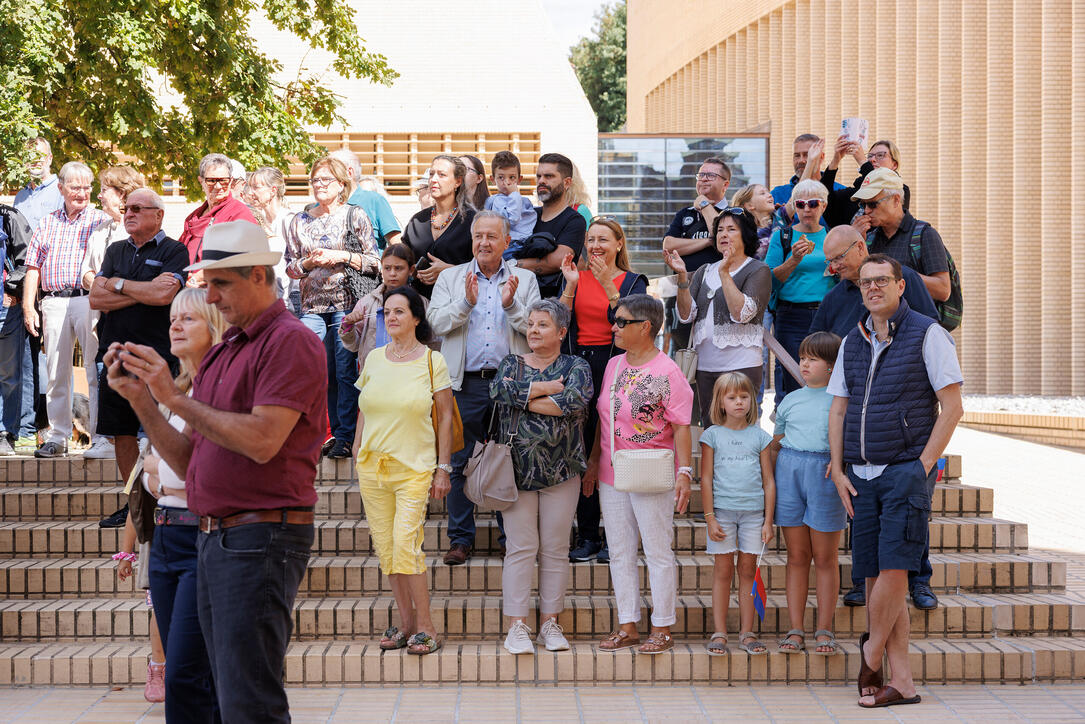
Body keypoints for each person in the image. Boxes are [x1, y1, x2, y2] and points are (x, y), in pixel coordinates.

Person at [105, 219, 328, 724]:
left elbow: (263, 440)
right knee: (209, 689)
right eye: (207, 283)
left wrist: (171, 396)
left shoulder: (289, 341)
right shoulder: (229, 351)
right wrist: (142, 399)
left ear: (259, 276)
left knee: (247, 699)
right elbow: (191, 464)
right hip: (218, 536)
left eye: (221, 283)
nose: (211, 295)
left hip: (259, 535)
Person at [828, 253, 963, 709]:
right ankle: (902, 681)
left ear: (901, 285)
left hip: (904, 470)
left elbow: (953, 407)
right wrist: (838, 469)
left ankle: (871, 653)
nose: (872, 288)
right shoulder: (853, 340)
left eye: (882, 280)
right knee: (874, 576)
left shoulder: (928, 334)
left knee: (894, 570)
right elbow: (839, 409)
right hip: (860, 475)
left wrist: (921, 466)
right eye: (866, 281)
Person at [811, 226, 939, 608]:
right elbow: (816, 345)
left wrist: (924, 462)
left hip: (908, 436)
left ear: (860, 247)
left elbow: (928, 330)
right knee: (865, 521)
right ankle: (862, 581)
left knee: (912, 517)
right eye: (829, 262)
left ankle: (920, 581)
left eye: (838, 258)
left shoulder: (902, 278)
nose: (834, 267)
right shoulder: (834, 298)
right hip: (861, 428)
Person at [132, 287, 226, 720]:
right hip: (166, 535)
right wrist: (160, 471)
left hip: (201, 536)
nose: (175, 326)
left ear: (214, 324)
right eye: (172, 318)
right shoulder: (180, 389)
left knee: (188, 672)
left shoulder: (218, 387)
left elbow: (185, 474)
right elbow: (151, 475)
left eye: (187, 318)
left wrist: (159, 469)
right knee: (183, 670)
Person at [427, 211, 540, 565]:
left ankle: (511, 538)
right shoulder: (451, 278)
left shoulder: (525, 279)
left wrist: (511, 305)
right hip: (464, 384)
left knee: (511, 459)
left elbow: (536, 330)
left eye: (492, 236)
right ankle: (461, 539)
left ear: (507, 241)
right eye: (478, 236)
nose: (484, 243)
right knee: (459, 461)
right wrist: (465, 303)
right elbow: (436, 323)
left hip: (510, 384)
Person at [584, 294, 693, 655]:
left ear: (645, 327)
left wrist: (684, 472)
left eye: (621, 322)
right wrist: (593, 462)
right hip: (611, 472)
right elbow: (605, 419)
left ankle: (662, 626)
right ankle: (627, 625)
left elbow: (682, 426)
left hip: (650, 471)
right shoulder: (614, 365)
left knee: (657, 551)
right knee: (619, 551)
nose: (613, 328)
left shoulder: (668, 371)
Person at [352, 285, 454, 655]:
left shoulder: (432, 361)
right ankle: (406, 623)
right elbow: (364, 407)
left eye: (399, 311)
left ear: (416, 318)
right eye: (387, 312)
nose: (391, 317)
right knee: (386, 549)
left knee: (406, 545)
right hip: (373, 468)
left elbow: (445, 418)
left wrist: (443, 468)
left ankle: (427, 627)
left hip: (414, 468)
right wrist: (356, 448)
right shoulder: (374, 359)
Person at [489, 299, 593, 655]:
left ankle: (550, 623)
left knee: (555, 548)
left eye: (542, 324)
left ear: (561, 332)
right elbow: (498, 391)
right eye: (531, 324)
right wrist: (548, 388)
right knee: (520, 547)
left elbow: (574, 401)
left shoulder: (576, 365)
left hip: (563, 469)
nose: (533, 330)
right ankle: (517, 626)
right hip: (515, 471)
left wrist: (524, 397)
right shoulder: (511, 363)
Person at [557, 217, 648, 563]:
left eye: (603, 239)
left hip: (619, 367)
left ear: (618, 244)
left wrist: (609, 283)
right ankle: (587, 535)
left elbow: (632, 324)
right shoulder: (576, 278)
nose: (596, 245)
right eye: (591, 239)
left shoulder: (634, 281)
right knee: (583, 452)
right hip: (580, 368)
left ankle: (617, 536)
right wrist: (570, 285)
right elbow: (558, 323)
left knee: (613, 450)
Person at [89, 187, 188, 506]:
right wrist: (143, 291)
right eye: (126, 208)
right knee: (122, 432)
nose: (128, 213)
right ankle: (134, 504)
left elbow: (164, 295)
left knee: (159, 428)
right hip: (116, 355)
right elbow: (95, 298)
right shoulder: (115, 250)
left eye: (136, 208)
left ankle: (161, 498)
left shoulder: (175, 250)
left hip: (158, 357)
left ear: (158, 215)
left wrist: (117, 285)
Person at [284, 157, 379, 459]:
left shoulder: (355, 214)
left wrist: (340, 256)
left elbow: (374, 262)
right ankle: (320, 434)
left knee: (344, 371)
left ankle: (345, 436)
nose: (319, 185)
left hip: (346, 305)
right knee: (313, 370)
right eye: (315, 180)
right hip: (311, 308)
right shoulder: (299, 220)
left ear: (341, 184)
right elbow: (290, 268)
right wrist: (309, 262)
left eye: (326, 179)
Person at [22, 161, 111, 459]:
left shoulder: (101, 220)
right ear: (60, 188)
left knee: (94, 369)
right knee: (56, 372)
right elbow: (32, 267)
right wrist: (29, 306)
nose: (82, 193)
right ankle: (58, 437)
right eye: (75, 187)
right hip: (54, 301)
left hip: (89, 300)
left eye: (87, 187)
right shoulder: (47, 222)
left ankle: (99, 437)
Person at [770, 331, 846, 656]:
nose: (803, 364)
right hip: (789, 473)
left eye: (812, 359)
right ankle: (796, 628)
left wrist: (841, 463)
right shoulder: (790, 400)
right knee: (797, 556)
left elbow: (849, 441)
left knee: (826, 558)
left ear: (832, 366)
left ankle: (825, 629)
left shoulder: (842, 400)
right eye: (802, 357)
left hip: (825, 476)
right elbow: (775, 445)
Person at [665, 208, 772, 424]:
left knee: (740, 430)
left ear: (745, 234)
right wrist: (683, 277)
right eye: (720, 229)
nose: (723, 234)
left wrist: (725, 273)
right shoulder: (705, 270)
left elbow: (742, 314)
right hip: (705, 366)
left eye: (731, 229)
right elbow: (685, 315)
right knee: (710, 430)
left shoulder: (758, 269)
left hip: (742, 365)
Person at [699, 372, 775, 656]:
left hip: (754, 515)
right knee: (722, 571)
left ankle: (747, 632)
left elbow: (769, 481)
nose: (739, 402)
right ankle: (719, 632)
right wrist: (709, 517)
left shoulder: (760, 437)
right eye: (732, 397)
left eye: (744, 396)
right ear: (720, 402)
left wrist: (768, 521)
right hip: (722, 514)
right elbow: (706, 479)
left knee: (748, 571)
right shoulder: (712, 436)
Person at [765, 179, 836, 405]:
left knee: (830, 377)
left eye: (813, 203)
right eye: (800, 204)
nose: (807, 209)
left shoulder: (833, 236)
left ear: (824, 206)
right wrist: (794, 260)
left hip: (827, 314)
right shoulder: (783, 236)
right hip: (791, 316)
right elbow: (768, 281)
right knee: (794, 377)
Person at [661, 158, 732, 352]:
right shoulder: (685, 214)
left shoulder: (733, 214)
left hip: (718, 294)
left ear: (725, 184)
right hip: (683, 291)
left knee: (714, 349)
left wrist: (705, 205)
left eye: (710, 175)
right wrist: (708, 241)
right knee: (682, 351)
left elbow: (723, 239)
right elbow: (669, 245)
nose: (704, 179)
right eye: (701, 175)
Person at [851, 168, 951, 304]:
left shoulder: (924, 234)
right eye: (863, 205)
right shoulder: (869, 239)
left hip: (914, 316)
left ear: (896, 200)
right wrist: (854, 245)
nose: (867, 210)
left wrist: (894, 273)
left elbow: (943, 290)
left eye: (873, 204)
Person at [340, 244, 435, 365]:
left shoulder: (422, 304)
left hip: (410, 369)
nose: (392, 273)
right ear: (381, 269)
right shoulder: (367, 303)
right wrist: (348, 326)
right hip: (374, 370)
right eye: (387, 268)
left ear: (411, 270)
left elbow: (432, 341)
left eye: (398, 268)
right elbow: (353, 345)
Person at [402, 155, 477, 298]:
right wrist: (411, 271)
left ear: (458, 182)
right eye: (431, 174)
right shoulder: (417, 221)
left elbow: (487, 268)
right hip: (419, 304)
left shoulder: (473, 221)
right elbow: (402, 261)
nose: (433, 180)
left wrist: (449, 271)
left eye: (441, 175)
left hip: (459, 303)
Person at [516, 153, 587, 299]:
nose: (541, 181)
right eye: (539, 176)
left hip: (553, 305)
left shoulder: (574, 220)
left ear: (567, 183)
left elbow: (558, 261)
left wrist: (512, 264)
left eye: (549, 176)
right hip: (517, 300)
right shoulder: (529, 216)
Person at [178, 153, 257, 274]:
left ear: (230, 181)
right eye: (211, 181)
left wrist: (199, 278)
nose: (218, 186)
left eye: (223, 181)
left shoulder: (240, 213)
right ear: (201, 181)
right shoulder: (193, 217)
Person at [810, 137, 911, 230]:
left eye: (880, 155)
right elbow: (823, 198)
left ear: (894, 164)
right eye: (869, 156)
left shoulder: (900, 190)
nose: (872, 160)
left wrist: (863, 162)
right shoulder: (855, 191)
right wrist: (835, 161)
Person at [0, 202, 34, 456]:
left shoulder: (8, 216)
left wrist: (12, 290)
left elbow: (27, 260)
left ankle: (5, 433)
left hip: (5, 309)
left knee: (8, 374)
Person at [81, 166, 147, 294]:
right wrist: (100, 288)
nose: (99, 196)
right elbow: (86, 270)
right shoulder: (100, 230)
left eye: (104, 190)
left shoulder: (143, 230)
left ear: (121, 193)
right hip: (99, 302)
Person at [331, 149, 403, 251]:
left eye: (332, 170)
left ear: (349, 173)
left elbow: (397, 245)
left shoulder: (374, 201)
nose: (325, 175)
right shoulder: (321, 205)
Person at [245, 166, 295, 302]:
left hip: (290, 299)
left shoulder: (289, 220)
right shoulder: (258, 219)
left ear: (273, 190)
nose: (251, 192)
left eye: (256, 187)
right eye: (250, 187)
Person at [770, 133, 845, 205]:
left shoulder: (840, 191)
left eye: (807, 155)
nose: (801, 160)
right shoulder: (777, 195)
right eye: (797, 155)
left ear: (821, 157)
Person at [484, 150, 536, 246]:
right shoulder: (493, 201)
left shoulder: (525, 201)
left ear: (519, 179)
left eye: (512, 177)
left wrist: (515, 195)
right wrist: (514, 194)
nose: (507, 182)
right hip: (505, 245)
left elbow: (526, 221)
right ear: (493, 180)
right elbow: (511, 221)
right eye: (501, 177)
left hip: (523, 244)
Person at [13, 137, 64, 233]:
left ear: (50, 159)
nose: (35, 160)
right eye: (30, 156)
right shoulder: (20, 197)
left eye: (39, 155)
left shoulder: (62, 192)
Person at [730, 183, 777, 261]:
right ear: (750, 205)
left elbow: (794, 199)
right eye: (762, 193)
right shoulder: (742, 233)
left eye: (768, 192)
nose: (770, 195)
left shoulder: (779, 219)